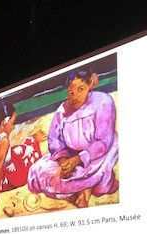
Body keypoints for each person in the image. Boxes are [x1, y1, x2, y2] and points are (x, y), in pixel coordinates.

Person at [27, 67, 119, 208]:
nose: (75, 96)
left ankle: (85, 192)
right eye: (71, 92)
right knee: (37, 171)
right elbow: (54, 139)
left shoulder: (103, 101)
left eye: (80, 89)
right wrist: (64, 162)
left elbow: (104, 141)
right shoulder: (63, 109)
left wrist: (78, 160)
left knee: (98, 174)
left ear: (90, 84)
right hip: (69, 155)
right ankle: (79, 192)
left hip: (97, 154)